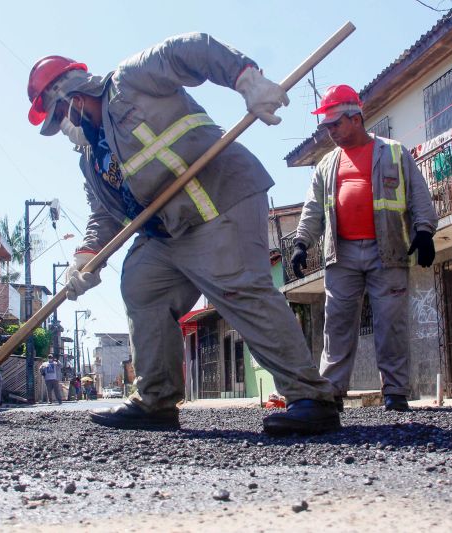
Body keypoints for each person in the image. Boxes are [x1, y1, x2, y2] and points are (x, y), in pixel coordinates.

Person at [27, 33, 339, 435]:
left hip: (219, 198)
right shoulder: (91, 160)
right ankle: (156, 401)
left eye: (60, 117)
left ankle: (311, 398)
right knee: (142, 284)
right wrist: (86, 257)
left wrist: (246, 79)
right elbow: (104, 216)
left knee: (240, 288)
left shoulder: (131, 81)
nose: (65, 128)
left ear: (71, 97)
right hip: (168, 232)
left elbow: (194, 48)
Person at [291, 85, 438, 413]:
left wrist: (425, 231)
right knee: (337, 324)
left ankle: (395, 393)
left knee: (391, 323)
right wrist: (302, 243)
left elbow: (418, 195)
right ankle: (331, 391)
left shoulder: (395, 153)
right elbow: (313, 208)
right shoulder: (326, 165)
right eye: (327, 127)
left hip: (387, 250)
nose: (331, 132)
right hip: (340, 254)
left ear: (356, 118)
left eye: (335, 124)